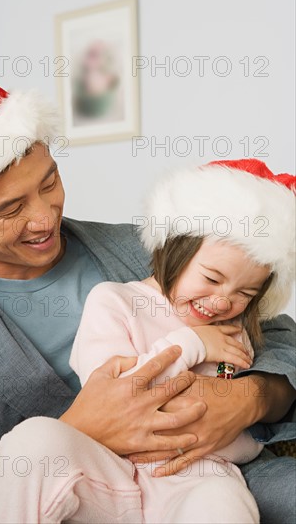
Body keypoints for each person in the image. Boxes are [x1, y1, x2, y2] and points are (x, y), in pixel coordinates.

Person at [0, 75, 294, 524]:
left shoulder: (144, 247)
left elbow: (271, 330)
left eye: (49, 183)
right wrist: (82, 428)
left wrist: (248, 397)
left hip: (203, 467)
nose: (45, 218)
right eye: (11, 210)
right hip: (77, 485)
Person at [69, 160, 296, 522]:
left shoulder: (234, 329)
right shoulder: (114, 303)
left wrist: (226, 428)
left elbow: (235, 423)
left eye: (246, 293)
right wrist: (194, 344)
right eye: (211, 278)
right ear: (175, 249)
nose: (223, 302)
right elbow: (117, 397)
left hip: (206, 482)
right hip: (122, 477)